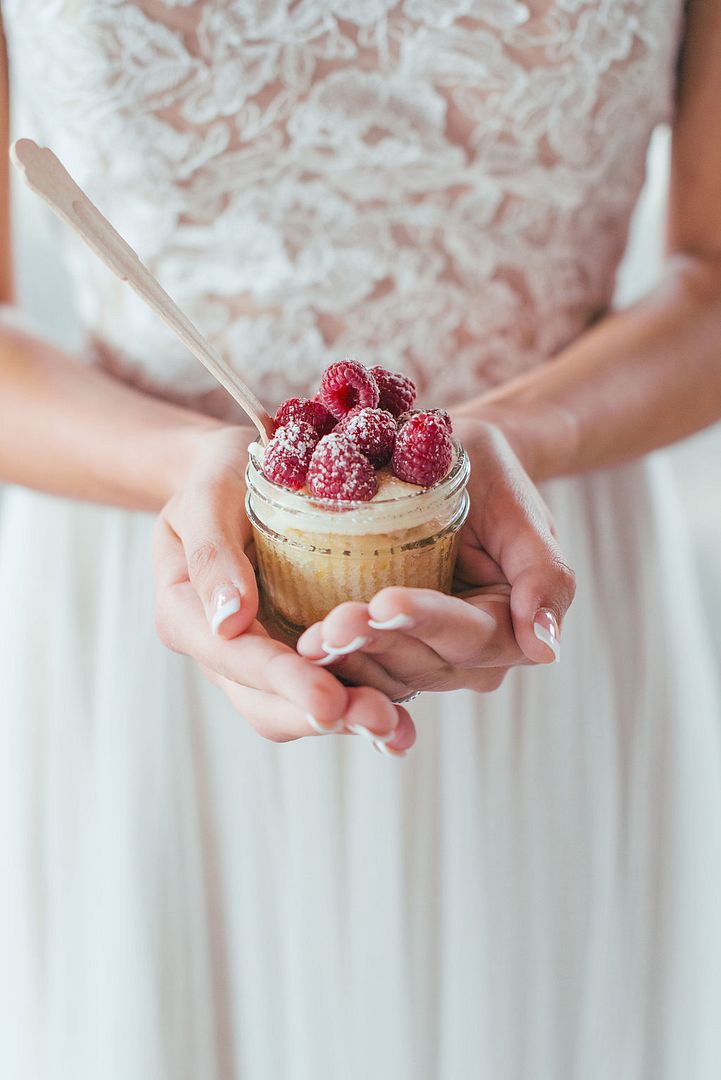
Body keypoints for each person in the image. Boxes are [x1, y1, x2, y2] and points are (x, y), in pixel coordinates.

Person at [1, 2, 720, 1077]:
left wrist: (511, 436)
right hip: (158, 595)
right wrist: (182, 465)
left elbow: (710, 276)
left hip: (530, 561)